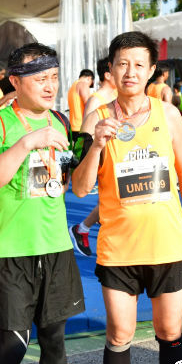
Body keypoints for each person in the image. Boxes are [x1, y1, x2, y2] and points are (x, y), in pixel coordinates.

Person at [72, 31, 182, 364]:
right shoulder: (93, 119)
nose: (130, 72)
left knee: (170, 331)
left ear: (151, 70)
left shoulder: (169, 114)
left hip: (167, 245)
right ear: (110, 69)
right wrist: (96, 145)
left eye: (139, 65)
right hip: (119, 249)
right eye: (123, 64)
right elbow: (79, 187)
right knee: (119, 333)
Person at [0, 43, 84, 364]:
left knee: (55, 341)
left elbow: (66, 183)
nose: (50, 86)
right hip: (12, 249)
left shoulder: (60, 122)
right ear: (15, 81)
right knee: (14, 346)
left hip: (56, 245)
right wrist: (26, 143)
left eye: (54, 77)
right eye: (40, 79)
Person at [70, 56, 118, 257]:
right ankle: (82, 228)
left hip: (117, 154)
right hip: (99, 154)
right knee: (112, 196)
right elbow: (86, 133)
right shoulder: (96, 99)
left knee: (115, 196)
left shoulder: (118, 96)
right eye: (119, 67)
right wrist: (91, 157)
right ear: (107, 74)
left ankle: (84, 228)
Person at [68, 68, 94, 137]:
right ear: (89, 78)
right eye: (91, 84)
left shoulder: (73, 86)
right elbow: (89, 105)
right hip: (82, 127)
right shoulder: (83, 84)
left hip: (73, 127)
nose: (89, 87)